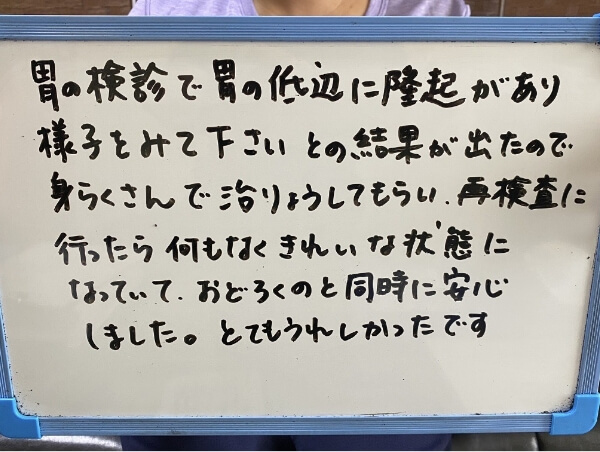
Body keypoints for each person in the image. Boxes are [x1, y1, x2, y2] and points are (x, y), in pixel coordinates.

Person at [124, 0, 469, 450]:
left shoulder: (432, 13)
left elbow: (455, 176)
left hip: (374, 303)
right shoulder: (170, 12)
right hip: (206, 294)